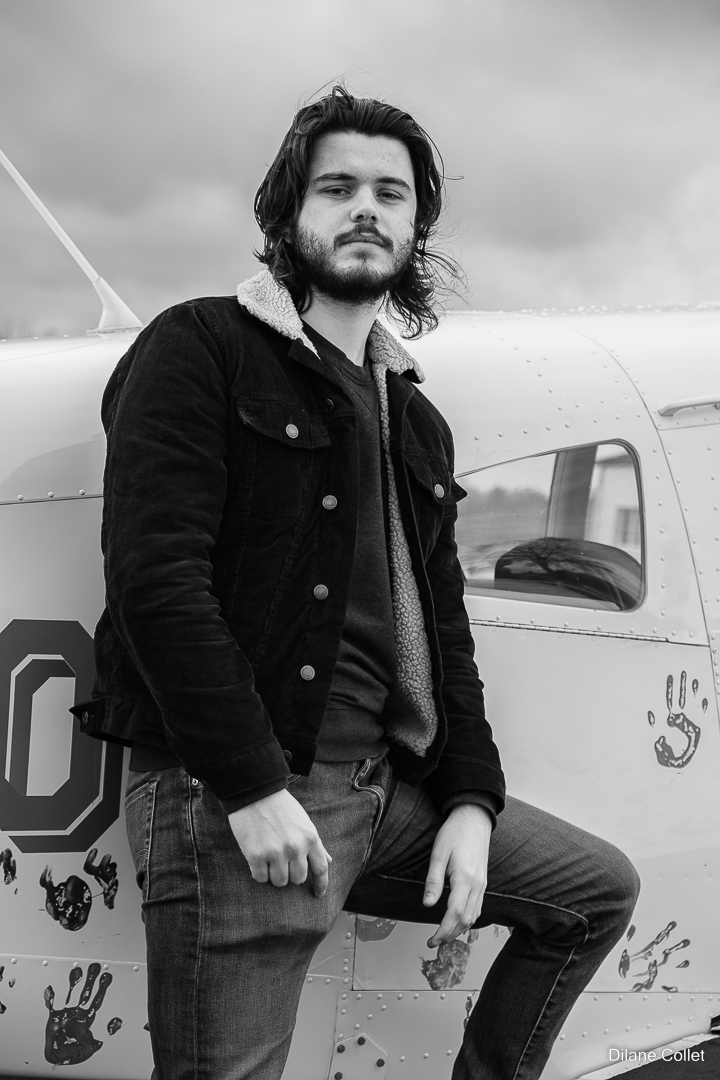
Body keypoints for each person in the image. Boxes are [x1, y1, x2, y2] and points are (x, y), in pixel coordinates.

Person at [74, 85, 640, 1079]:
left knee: (592, 894)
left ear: (418, 225)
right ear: (288, 213)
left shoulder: (414, 418)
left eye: (391, 192)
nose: (365, 208)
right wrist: (250, 784)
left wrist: (471, 801)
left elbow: (443, 627)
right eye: (336, 188)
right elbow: (156, 580)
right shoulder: (200, 347)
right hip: (234, 796)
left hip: (380, 795)